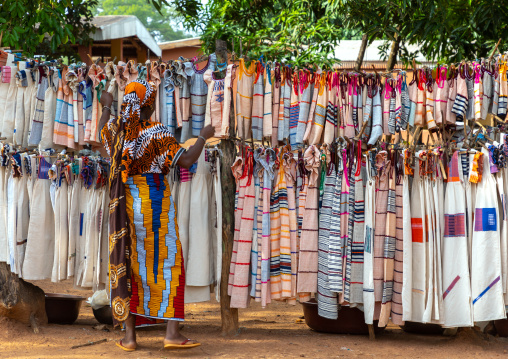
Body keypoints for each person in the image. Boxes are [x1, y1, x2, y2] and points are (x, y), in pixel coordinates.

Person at [98, 80, 215, 351]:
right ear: (148, 106)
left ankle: (129, 338)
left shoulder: (117, 131)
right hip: (154, 206)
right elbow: (185, 161)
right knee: (169, 263)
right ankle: (172, 333)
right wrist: (203, 136)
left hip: (125, 207)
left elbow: (102, 132)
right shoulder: (156, 132)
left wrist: (106, 105)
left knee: (129, 265)